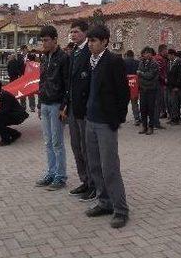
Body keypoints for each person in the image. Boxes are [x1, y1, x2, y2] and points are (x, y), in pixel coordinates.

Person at [83, 24, 130, 229]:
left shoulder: (113, 61)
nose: (90, 44)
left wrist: (117, 119)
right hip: (90, 120)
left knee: (109, 167)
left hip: (106, 123)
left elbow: (123, 93)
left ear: (104, 42)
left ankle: (120, 210)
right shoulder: (89, 61)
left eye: (93, 41)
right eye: (89, 41)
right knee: (94, 165)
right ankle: (104, 202)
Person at [61, 20, 95, 200]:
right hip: (73, 107)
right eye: (71, 32)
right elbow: (70, 82)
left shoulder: (89, 52)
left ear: (85, 33)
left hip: (85, 109)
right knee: (76, 146)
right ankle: (84, 180)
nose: (72, 35)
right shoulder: (74, 52)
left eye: (76, 32)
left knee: (86, 147)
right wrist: (66, 104)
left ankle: (93, 184)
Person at [35, 25, 69, 191]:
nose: (44, 43)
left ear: (55, 39)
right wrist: (39, 104)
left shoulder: (63, 58)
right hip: (46, 103)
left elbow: (67, 85)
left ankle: (60, 176)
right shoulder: (44, 58)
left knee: (57, 142)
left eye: (46, 40)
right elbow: (42, 82)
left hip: (57, 105)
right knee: (48, 142)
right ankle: (51, 172)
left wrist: (64, 106)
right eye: (42, 40)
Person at [0, 79, 29, 146]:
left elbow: (5, 110)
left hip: (17, 116)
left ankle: (6, 140)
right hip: (11, 114)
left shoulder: (4, 95)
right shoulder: (0, 94)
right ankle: (15, 134)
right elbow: (4, 108)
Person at [137, 47, 159, 135]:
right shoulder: (141, 63)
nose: (147, 54)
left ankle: (151, 127)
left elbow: (151, 75)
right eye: (145, 53)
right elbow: (138, 76)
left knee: (151, 108)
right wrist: (143, 76)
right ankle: (144, 126)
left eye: (149, 53)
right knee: (143, 108)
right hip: (143, 89)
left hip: (151, 89)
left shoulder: (154, 63)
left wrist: (142, 74)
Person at [166, 49, 181, 125]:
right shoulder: (169, 63)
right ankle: (172, 117)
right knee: (170, 102)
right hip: (170, 86)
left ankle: (176, 118)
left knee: (175, 103)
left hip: (176, 86)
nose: (168, 57)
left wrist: (177, 86)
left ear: (173, 55)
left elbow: (180, 75)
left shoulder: (179, 62)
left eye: (169, 55)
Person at [123, 50, 141, 126]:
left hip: (125, 84)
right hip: (135, 84)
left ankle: (122, 117)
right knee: (134, 102)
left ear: (127, 55)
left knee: (124, 103)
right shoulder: (138, 62)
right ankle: (137, 118)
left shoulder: (123, 62)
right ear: (133, 55)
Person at [154, 44, 168, 126]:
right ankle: (156, 122)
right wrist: (164, 79)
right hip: (158, 83)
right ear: (162, 50)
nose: (167, 51)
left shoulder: (158, 58)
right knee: (157, 103)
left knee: (157, 103)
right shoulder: (159, 59)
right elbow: (158, 72)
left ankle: (155, 121)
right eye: (166, 50)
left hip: (157, 83)